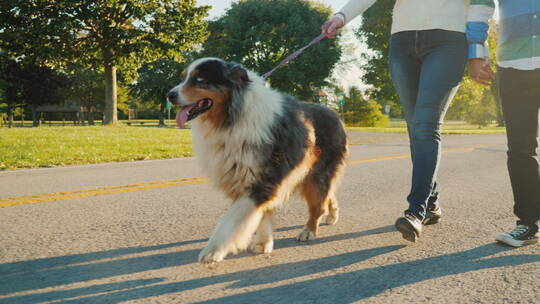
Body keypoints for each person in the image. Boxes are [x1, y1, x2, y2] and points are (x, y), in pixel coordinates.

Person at [323, 0, 472, 242]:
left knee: (425, 125)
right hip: (402, 41)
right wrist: (341, 16)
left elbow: (480, 4)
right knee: (416, 126)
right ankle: (431, 203)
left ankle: (415, 211)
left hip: (448, 40)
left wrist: (479, 48)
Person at [468, 0, 539, 247]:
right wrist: (476, 54)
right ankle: (527, 222)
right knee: (520, 150)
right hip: (513, 65)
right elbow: (480, 7)